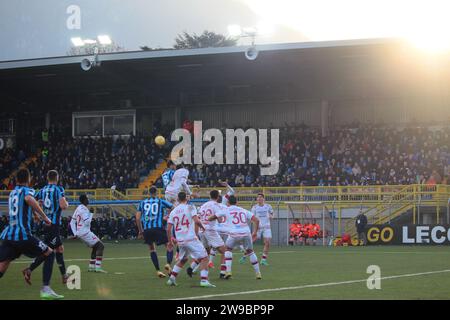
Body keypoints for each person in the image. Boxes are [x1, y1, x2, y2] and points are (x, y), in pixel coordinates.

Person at [0, 168, 57, 298]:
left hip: (9, 236)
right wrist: (44, 217)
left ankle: (30, 271)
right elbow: (29, 199)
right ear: (29, 179)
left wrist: (34, 214)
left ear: (17, 180)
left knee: (1, 267)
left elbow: (23, 206)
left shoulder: (12, 193)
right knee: (49, 253)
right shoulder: (27, 191)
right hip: (22, 235)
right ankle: (46, 289)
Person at [166, 192, 215, 288]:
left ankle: (171, 279)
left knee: (183, 259)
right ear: (186, 198)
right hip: (190, 238)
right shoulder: (190, 207)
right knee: (205, 257)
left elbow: (168, 229)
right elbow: (196, 221)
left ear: (178, 199)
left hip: (180, 240)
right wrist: (203, 227)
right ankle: (204, 281)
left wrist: (170, 241)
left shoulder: (173, 211)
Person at [34, 170, 69, 299]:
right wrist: (66, 202)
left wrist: (36, 215)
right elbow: (63, 206)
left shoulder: (42, 190)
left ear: (47, 178)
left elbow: (33, 201)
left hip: (46, 224)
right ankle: (30, 269)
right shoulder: (59, 189)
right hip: (54, 225)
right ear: (57, 177)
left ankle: (64, 275)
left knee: (59, 248)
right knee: (48, 252)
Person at [208, 195, 261, 280]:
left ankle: (228, 271)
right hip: (246, 233)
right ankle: (258, 273)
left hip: (234, 234)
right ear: (237, 202)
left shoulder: (226, 209)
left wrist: (208, 218)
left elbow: (213, 217)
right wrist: (254, 232)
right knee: (250, 251)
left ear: (228, 203)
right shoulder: (243, 210)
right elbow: (257, 220)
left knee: (228, 249)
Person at [135, 186, 174, 278]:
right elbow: (173, 208)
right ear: (156, 192)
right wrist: (168, 215)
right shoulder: (160, 201)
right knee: (169, 245)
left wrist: (141, 231)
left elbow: (137, 218)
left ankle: (158, 271)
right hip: (158, 228)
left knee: (152, 248)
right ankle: (168, 264)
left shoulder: (142, 203)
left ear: (148, 193)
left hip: (147, 229)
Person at [189, 189, 227, 279]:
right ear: (217, 197)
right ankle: (223, 272)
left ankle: (191, 267)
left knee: (205, 253)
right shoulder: (216, 205)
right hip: (210, 230)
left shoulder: (204, 205)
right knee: (224, 251)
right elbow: (219, 219)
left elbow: (198, 218)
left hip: (202, 230)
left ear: (210, 196)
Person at [70, 195, 106, 273]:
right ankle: (98, 268)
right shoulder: (83, 209)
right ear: (84, 200)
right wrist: (91, 213)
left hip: (81, 232)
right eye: (87, 198)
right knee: (101, 246)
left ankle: (91, 267)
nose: (88, 200)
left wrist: (75, 233)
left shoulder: (78, 208)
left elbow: (72, 222)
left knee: (95, 247)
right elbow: (87, 222)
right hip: (85, 232)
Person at [241, 193, 273, 266]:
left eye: (260, 197)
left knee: (267, 242)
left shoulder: (268, 206)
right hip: (258, 227)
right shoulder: (254, 207)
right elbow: (252, 218)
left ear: (263, 199)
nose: (259, 199)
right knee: (251, 241)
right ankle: (244, 256)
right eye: (258, 197)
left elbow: (272, 214)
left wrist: (271, 216)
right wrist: (255, 224)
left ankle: (263, 260)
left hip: (267, 227)